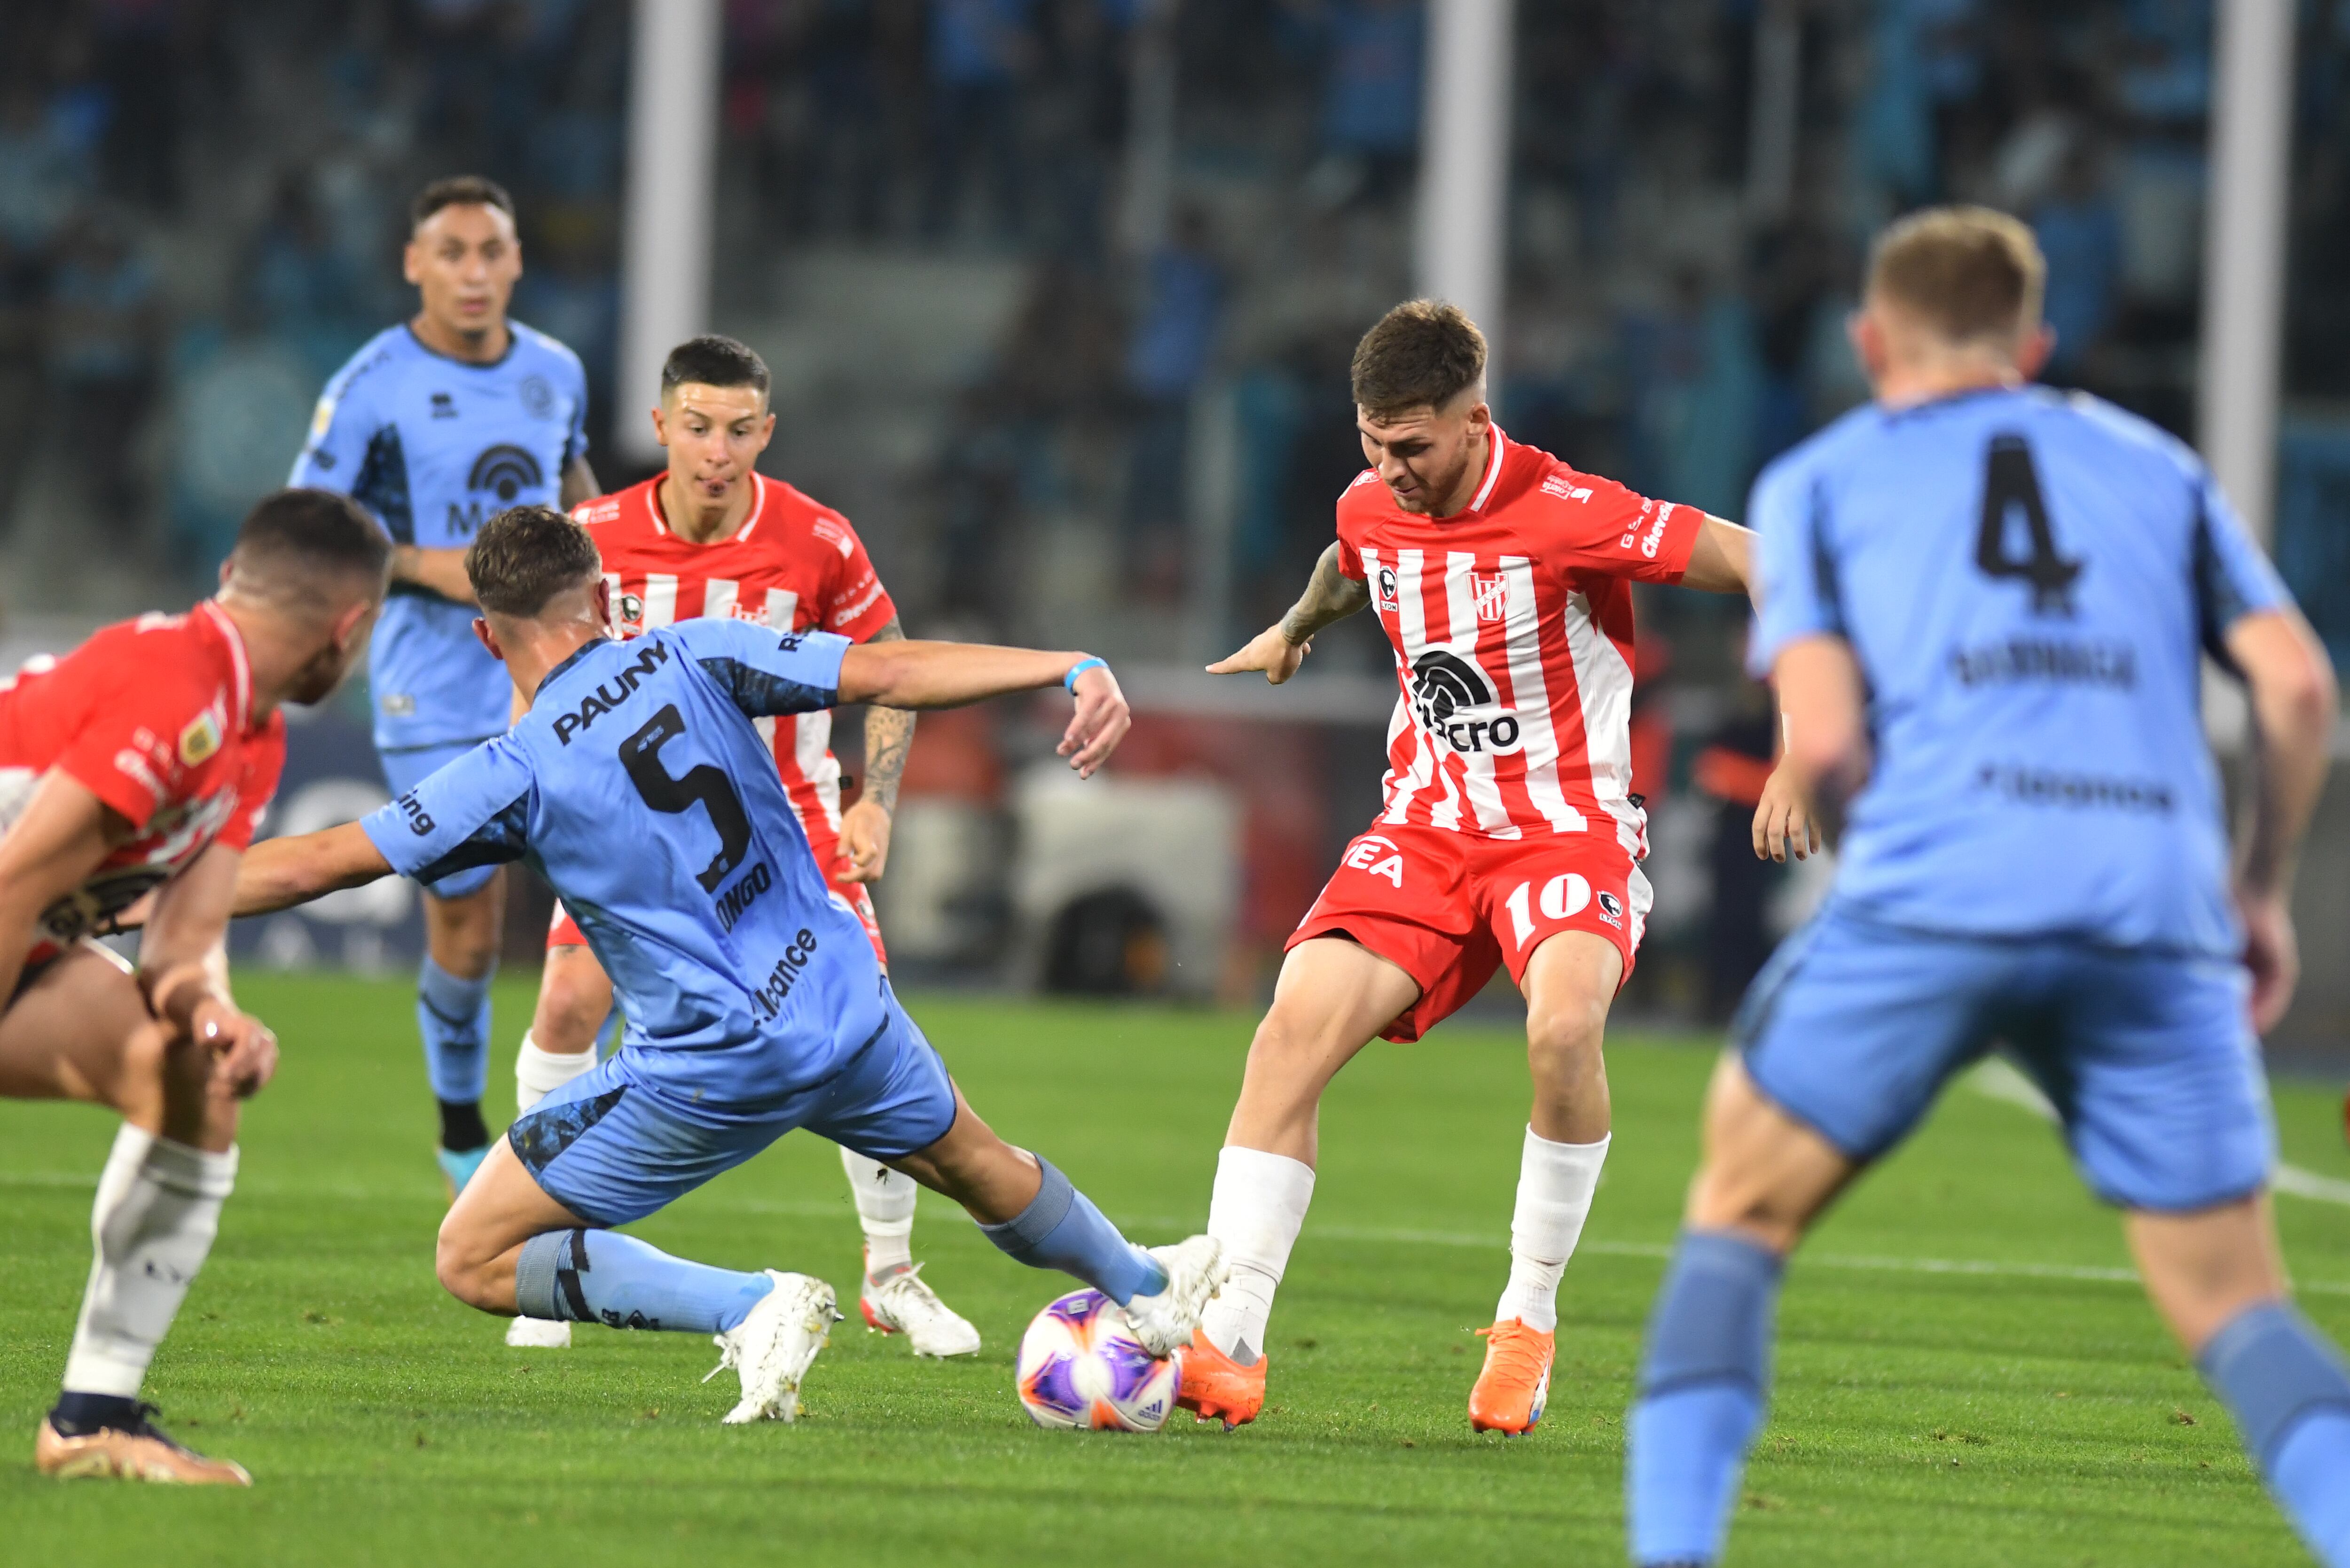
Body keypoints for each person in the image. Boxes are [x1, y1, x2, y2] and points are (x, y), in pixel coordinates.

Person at [1624, 207, 2350, 1568]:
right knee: (2240, 1307)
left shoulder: (1820, 482)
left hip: (1938, 899)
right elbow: (2299, 685)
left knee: (1740, 1212)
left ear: (1869, 341)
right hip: (2151, 909)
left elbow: (1825, 740)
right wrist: (2256, 891)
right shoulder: (2159, 467)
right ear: (2034, 343)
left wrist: (1878, 852)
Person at [222, 504, 1225, 1424]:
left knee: (472, 1254)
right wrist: (1069, 664)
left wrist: (151, 892)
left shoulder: (514, 771)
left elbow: (319, 863)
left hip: (715, 1063)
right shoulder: (694, 651)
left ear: (489, 637)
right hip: (841, 997)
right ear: (605, 600)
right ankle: (1145, 1284)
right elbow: (892, 671)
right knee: (972, 1159)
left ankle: (752, 1307)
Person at [1189, 299, 1785, 1435]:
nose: (1388, 469)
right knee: (1290, 1031)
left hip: (1565, 830)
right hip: (1425, 827)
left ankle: (1528, 1317)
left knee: (1562, 1032)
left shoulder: (1571, 513)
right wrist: (1295, 625)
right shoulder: (1371, 498)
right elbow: (1350, 552)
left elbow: (1770, 566)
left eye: (1411, 445)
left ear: (1476, 420)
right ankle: (1230, 1335)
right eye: (1371, 443)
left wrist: (1799, 745)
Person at [506, 333, 978, 1358]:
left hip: (795, 829)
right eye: (696, 426)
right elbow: (531, 673)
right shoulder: (588, 541)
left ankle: (891, 1276)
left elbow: (889, 658)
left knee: (865, 1028)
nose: (716, 451)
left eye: (737, 431)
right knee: (564, 1004)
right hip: (634, 840)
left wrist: (877, 801)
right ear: (660, 425)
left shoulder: (816, 539)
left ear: (765, 432)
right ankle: (555, 1260)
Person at [18, 490, 389, 1484]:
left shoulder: (248, 727)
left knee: (191, 1073)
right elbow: (15, 882)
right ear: (349, 629)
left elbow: (179, 944)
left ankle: (94, 1419)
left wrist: (214, 1011)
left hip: (29, 944)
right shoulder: (175, 688)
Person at [290, 175, 598, 1199]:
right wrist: (449, 567)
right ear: (414, 263)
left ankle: (613, 1109)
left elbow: (576, 487)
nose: (474, 272)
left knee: (610, 886)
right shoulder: (372, 382)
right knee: (466, 914)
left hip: (557, 666)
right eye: (452, 253)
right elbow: (313, 526)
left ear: (516, 262)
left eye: (491, 252)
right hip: (431, 677)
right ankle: (463, 1127)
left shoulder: (555, 371)